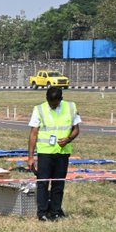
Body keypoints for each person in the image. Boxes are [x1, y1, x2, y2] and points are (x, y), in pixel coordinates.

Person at [27, 86, 81, 221]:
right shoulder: (39, 109)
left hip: (62, 153)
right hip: (45, 152)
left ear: (61, 99)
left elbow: (76, 129)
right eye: (50, 103)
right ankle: (42, 212)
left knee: (58, 184)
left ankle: (55, 211)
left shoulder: (71, 107)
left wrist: (68, 139)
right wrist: (30, 157)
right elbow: (33, 134)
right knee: (43, 183)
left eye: (55, 103)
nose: (52, 105)